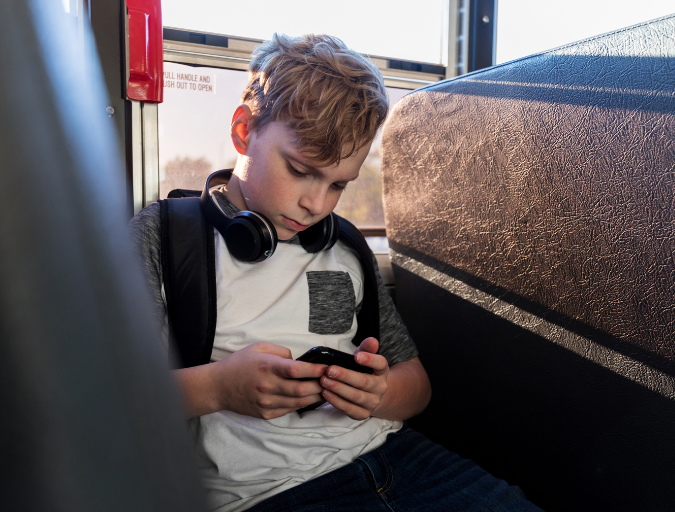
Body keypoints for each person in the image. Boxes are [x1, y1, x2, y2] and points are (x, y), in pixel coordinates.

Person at [130, 33, 542, 512]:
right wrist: (219, 387)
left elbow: (417, 386)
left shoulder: (340, 245)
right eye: (301, 170)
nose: (316, 204)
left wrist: (379, 391)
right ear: (244, 130)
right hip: (269, 492)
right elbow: (103, 401)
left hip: (398, 458)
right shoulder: (168, 239)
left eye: (338, 185)